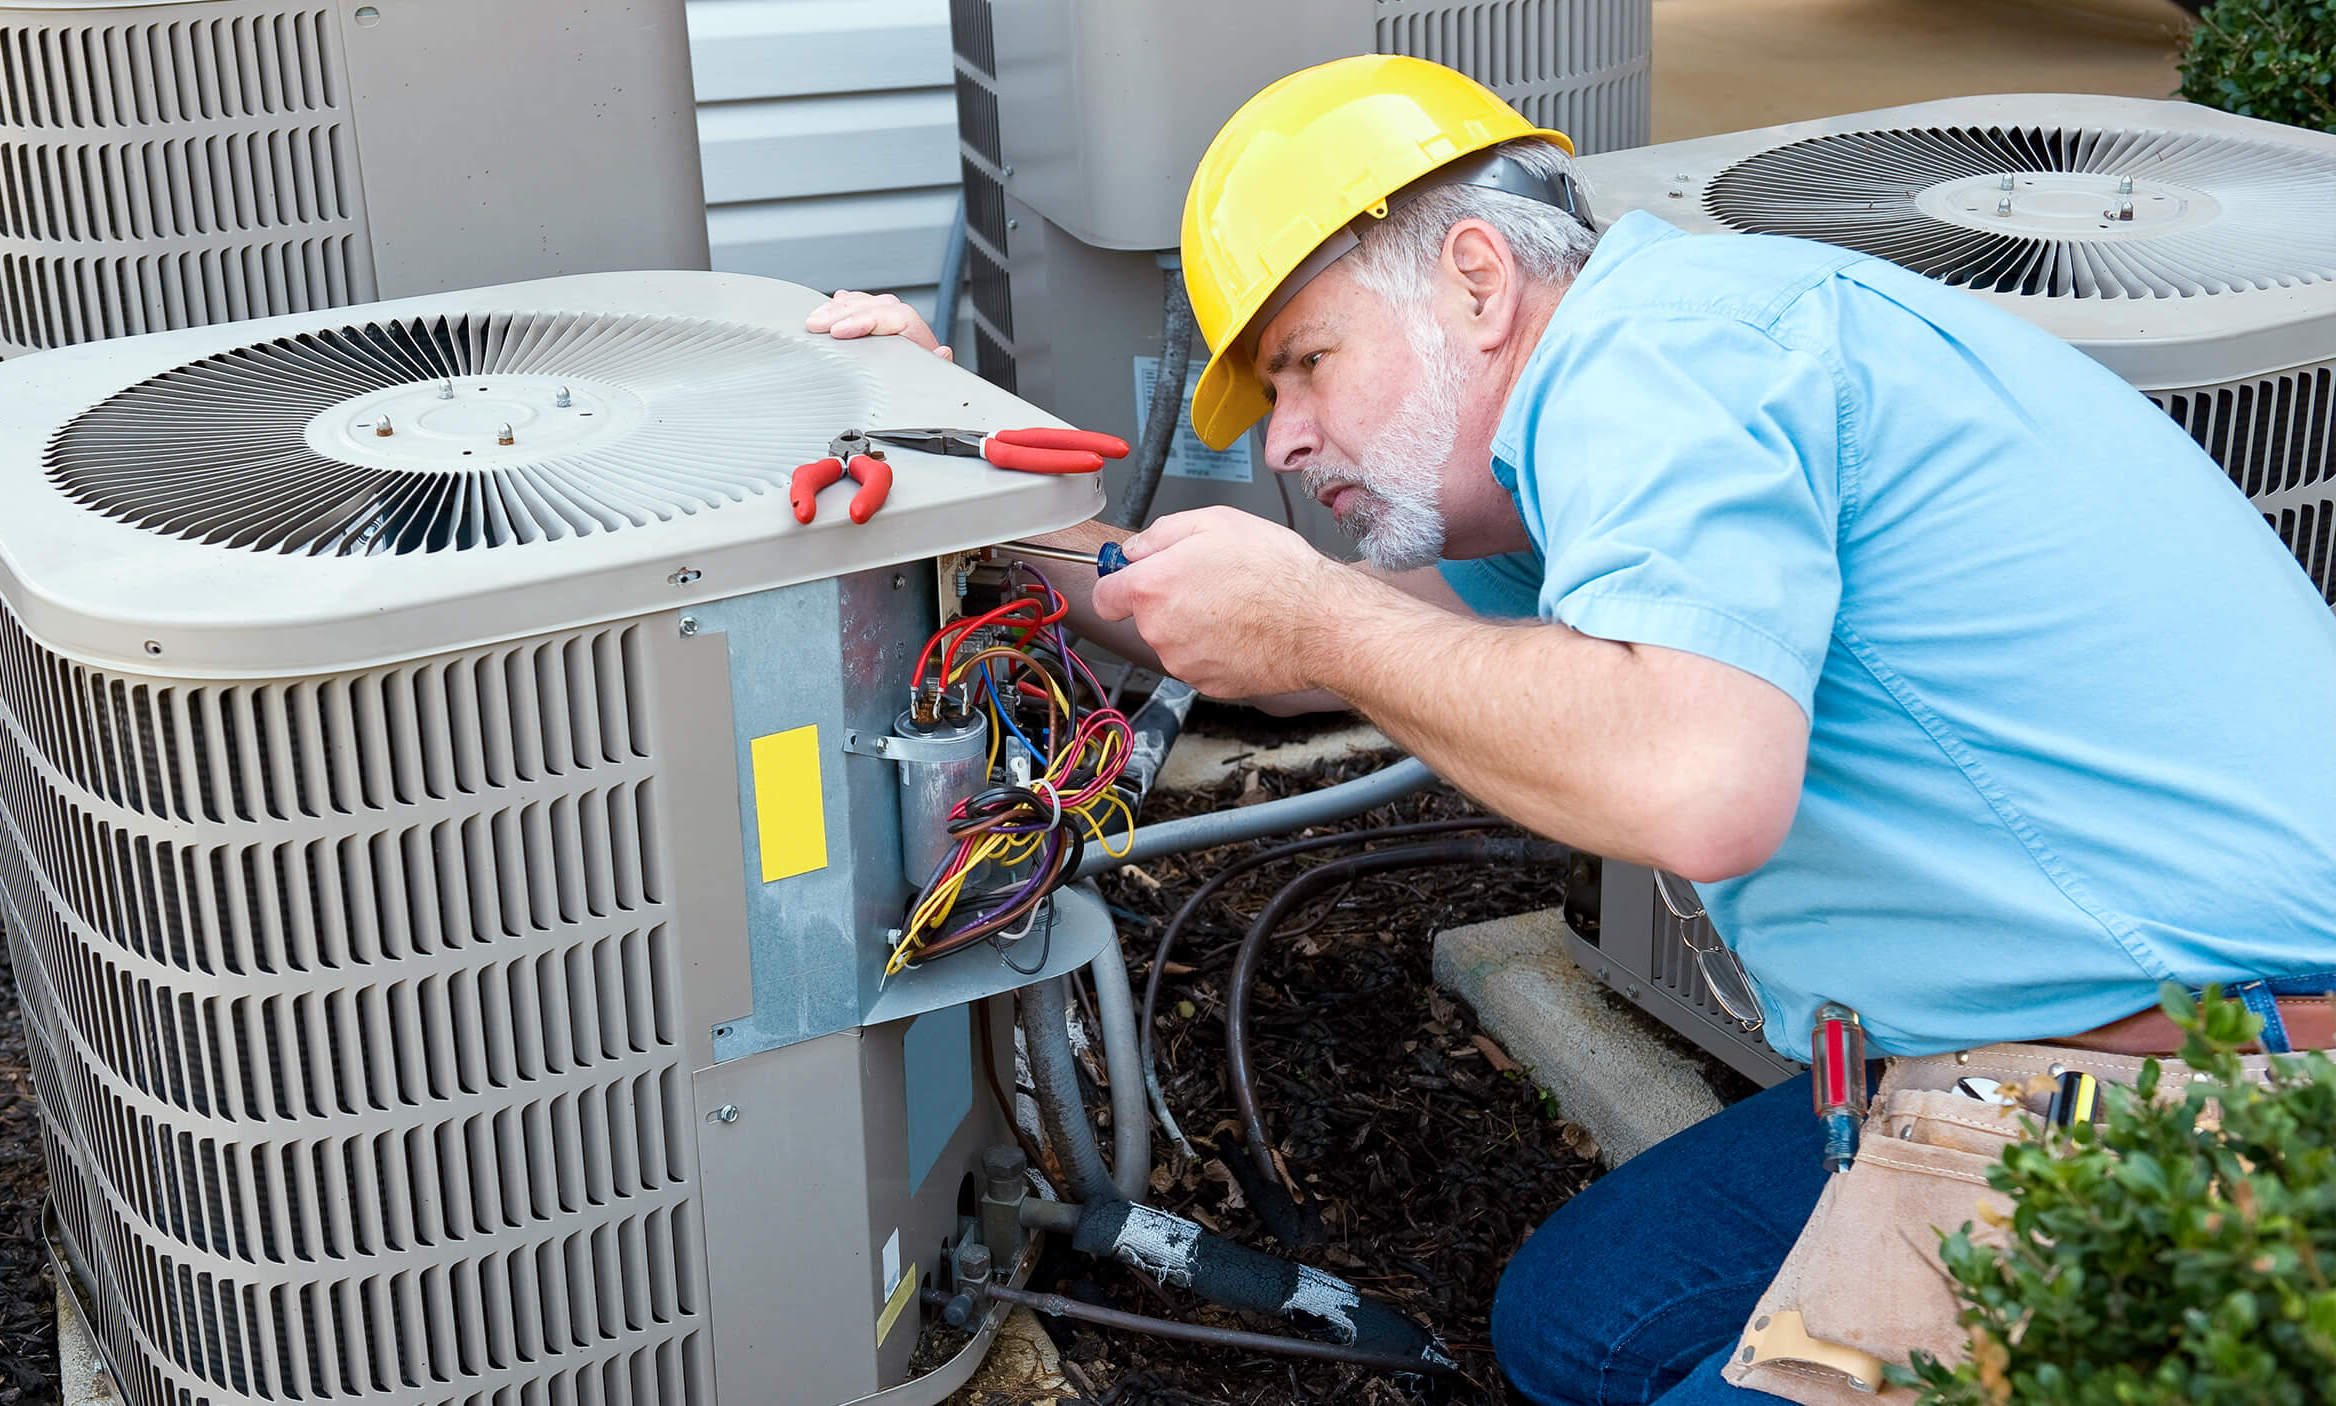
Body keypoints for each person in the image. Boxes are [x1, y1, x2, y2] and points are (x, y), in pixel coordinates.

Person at [808, 55, 2336, 1405]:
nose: (1278, 439)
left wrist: (1326, 615)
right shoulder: (1567, 447)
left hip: (2208, 1076)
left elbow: (1694, 782)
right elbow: (1310, 656)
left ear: (1476, 278)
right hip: (2021, 1034)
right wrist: (981, 488)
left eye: (1304, 364)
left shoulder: (1657, 359)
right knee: (1575, 1325)